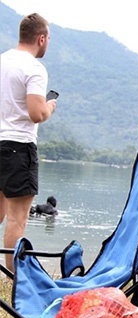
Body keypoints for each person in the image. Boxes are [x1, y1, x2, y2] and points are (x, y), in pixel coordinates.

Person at [0, 13, 57, 271]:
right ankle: (13, 282)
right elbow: (36, 113)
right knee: (16, 220)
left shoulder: (2, 61)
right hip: (19, 147)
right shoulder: (34, 68)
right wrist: (49, 107)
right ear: (41, 38)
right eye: (48, 40)